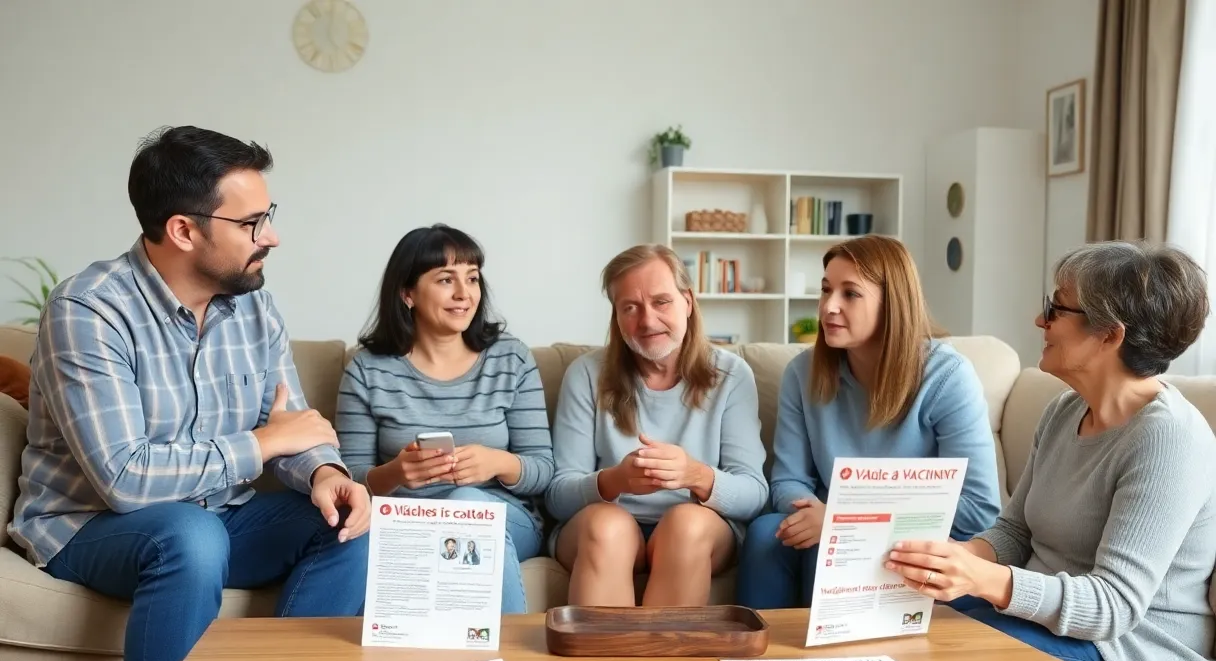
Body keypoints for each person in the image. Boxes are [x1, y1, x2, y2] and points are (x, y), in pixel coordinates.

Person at [7, 126, 371, 661]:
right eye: (252, 223)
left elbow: (291, 427)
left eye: (268, 216)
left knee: (347, 521)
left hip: (219, 516)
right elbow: (123, 479)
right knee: (189, 534)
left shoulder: (255, 305)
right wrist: (264, 443)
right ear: (183, 229)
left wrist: (326, 472)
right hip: (91, 525)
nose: (272, 237)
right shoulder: (88, 309)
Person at [885, 240, 1216, 661]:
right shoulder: (1064, 410)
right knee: (904, 630)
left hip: (1132, 653)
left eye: (1056, 308)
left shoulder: (1168, 439)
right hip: (1040, 620)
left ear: (1109, 335)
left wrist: (984, 580)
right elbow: (1015, 532)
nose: (1040, 321)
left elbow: (1114, 607)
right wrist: (957, 558)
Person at [736, 235, 1001, 609]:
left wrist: (845, 522)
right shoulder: (802, 373)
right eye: (826, 290)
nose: (828, 307)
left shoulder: (947, 376)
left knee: (828, 547)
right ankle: (751, 655)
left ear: (893, 302)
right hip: (827, 520)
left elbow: (977, 507)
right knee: (767, 534)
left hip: (917, 538)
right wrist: (818, 518)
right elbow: (788, 479)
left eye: (850, 294)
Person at [336, 224, 553, 614]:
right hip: (404, 520)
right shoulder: (368, 370)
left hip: (503, 516)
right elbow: (348, 479)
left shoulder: (511, 359)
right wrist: (397, 472)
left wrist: (498, 463)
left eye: (472, 278)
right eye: (445, 279)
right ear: (407, 294)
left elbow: (544, 470)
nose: (464, 293)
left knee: (467, 503)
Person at [546, 244, 768, 607]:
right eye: (630, 307)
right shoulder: (586, 374)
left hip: (696, 529)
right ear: (616, 316)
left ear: (688, 302)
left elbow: (754, 495)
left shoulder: (731, 375)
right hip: (606, 525)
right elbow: (557, 495)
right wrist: (615, 480)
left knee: (686, 524)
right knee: (608, 526)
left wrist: (696, 475)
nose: (647, 321)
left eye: (661, 302)